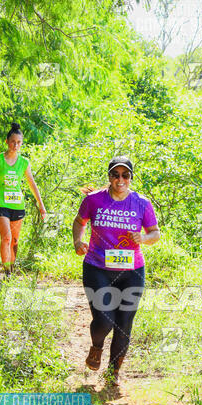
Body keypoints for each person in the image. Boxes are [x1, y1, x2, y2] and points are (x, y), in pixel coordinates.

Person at [72, 156, 160, 386]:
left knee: (124, 323)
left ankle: (113, 373)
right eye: (115, 175)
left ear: (130, 177)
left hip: (132, 271)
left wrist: (144, 237)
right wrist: (78, 241)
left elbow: (155, 233)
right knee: (104, 320)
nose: (120, 179)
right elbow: (80, 221)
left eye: (125, 175)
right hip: (97, 267)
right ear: (109, 177)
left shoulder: (142, 203)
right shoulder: (93, 200)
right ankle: (97, 347)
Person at [0, 122, 47, 276]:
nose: (16, 145)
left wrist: (41, 205)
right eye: (13, 142)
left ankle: (12, 267)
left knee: (14, 240)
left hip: (17, 205)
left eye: (19, 142)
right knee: (6, 237)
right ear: (7, 141)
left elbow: (32, 184)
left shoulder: (24, 162)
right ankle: (7, 271)